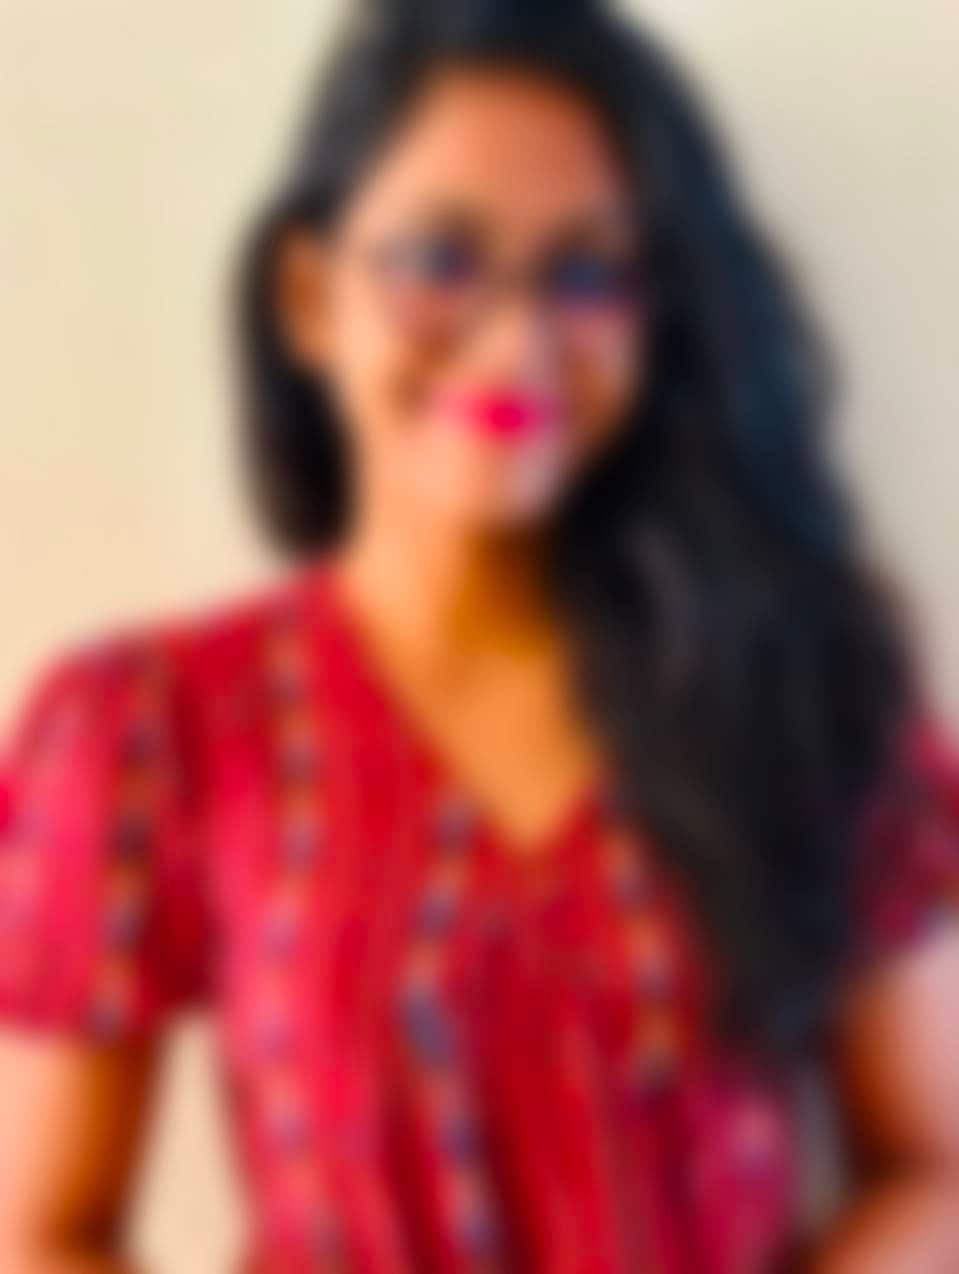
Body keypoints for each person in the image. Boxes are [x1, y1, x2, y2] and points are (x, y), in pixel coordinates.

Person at [0, 0, 957, 1270]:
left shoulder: (799, 688)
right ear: (307, 295)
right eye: (439, 258)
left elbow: (930, 1167)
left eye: (586, 273)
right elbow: (47, 1226)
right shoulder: (153, 727)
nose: (514, 341)